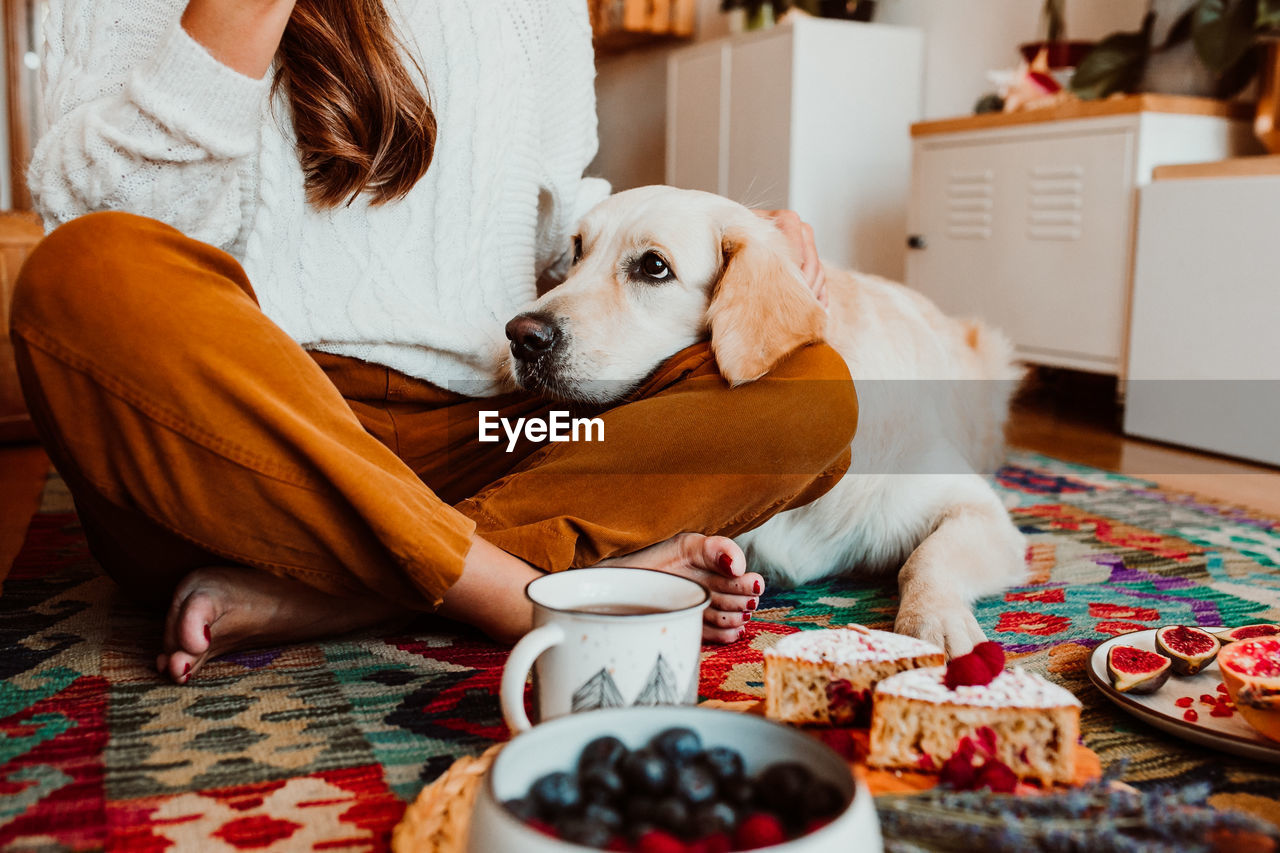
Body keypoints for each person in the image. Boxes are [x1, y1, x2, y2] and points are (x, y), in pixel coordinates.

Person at [9, 0, 857, 684]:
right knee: (80, 274)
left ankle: (350, 594)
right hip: (255, 446)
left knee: (812, 390)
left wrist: (742, 240)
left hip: (493, 431)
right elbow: (108, 223)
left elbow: (561, 226)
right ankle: (514, 591)